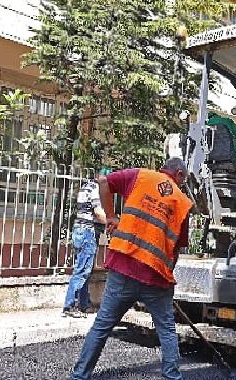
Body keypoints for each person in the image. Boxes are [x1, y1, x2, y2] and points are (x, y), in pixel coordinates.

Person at [70, 158, 193, 380]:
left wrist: (111, 216)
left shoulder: (139, 176)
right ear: (179, 175)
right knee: (166, 330)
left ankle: (79, 376)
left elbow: (104, 181)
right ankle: (172, 377)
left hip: (123, 268)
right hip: (155, 277)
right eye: (182, 180)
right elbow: (175, 250)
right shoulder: (182, 202)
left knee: (102, 326)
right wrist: (167, 279)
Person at [63, 169, 109, 318]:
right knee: (82, 270)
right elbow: (98, 213)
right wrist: (112, 223)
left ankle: (84, 304)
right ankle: (70, 306)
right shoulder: (96, 189)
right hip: (88, 232)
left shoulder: (85, 187)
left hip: (80, 231)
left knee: (85, 269)